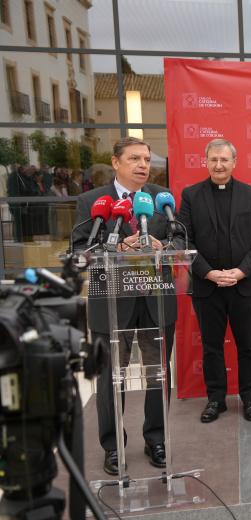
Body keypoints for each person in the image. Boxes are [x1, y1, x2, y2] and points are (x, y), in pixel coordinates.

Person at [72, 137, 182, 476]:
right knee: (110, 378)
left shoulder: (162, 200)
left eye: (147, 159)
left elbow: (182, 239)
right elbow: (79, 249)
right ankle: (112, 445)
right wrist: (117, 246)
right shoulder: (93, 201)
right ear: (115, 161)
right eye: (134, 158)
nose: (143, 165)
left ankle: (156, 439)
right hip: (111, 303)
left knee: (155, 375)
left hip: (155, 301)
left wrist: (163, 243)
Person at [178, 138, 251, 423]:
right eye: (213, 159)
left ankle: (250, 398)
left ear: (234, 162)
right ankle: (215, 400)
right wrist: (207, 272)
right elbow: (184, 238)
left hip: (243, 285)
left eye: (224, 160)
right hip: (207, 286)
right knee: (212, 347)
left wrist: (240, 272)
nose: (219, 165)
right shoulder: (191, 195)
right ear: (206, 162)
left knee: (249, 346)